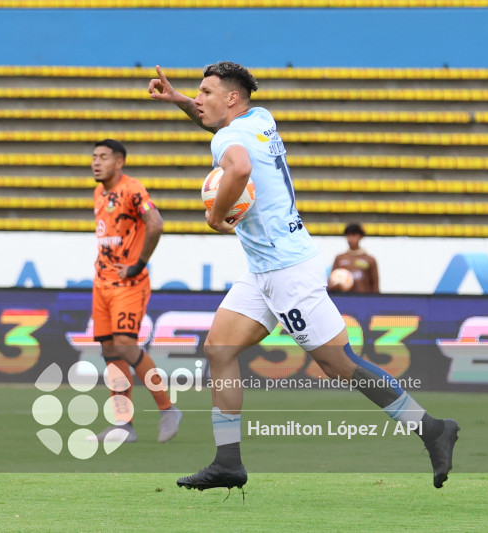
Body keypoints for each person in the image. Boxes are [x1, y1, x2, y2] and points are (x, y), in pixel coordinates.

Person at [148, 62, 458, 490]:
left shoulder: (229, 139)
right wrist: (181, 101)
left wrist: (216, 216)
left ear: (232, 98)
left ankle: (432, 430)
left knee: (339, 365)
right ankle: (228, 463)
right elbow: (226, 137)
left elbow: (236, 169)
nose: (198, 98)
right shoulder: (260, 118)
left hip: (287, 271)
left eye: (205, 91)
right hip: (265, 268)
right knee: (219, 349)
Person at [89, 139, 183, 443]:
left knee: (126, 346)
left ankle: (168, 409)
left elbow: (155, 224)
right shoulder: (99, 193)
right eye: (94, 157)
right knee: (109, 350)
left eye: (103, 157)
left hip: (128, 284)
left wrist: (138, 264)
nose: (96, 162)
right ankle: (123, 424)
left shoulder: (133, 190)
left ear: (119, 162)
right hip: (101, 283)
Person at [330, 222, 380, 294]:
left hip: (364, 300)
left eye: (354, 235)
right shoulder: (339, 258)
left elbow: (375, 287)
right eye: (348, 235)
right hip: (343, 300)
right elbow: (331, 283)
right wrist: (336, 285)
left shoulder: (370, 260)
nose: (350, 239)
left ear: (360, 237)